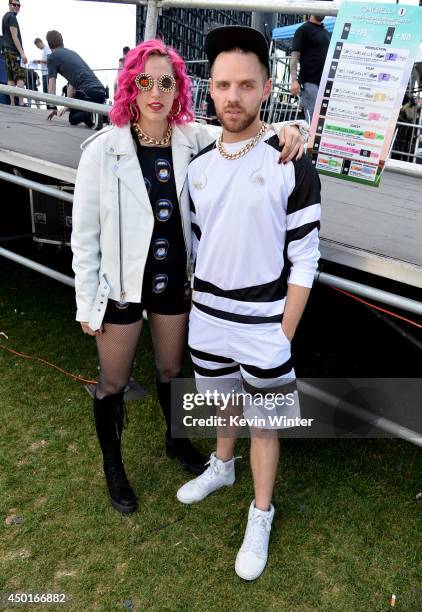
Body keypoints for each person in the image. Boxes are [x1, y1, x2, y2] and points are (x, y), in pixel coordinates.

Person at [71, 39, 307, 515]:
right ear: (129, 86)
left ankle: (176, 441)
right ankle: (113, 464)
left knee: (170, 371)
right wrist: (83, 301)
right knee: (113, 382)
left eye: (166, 82)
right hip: (119, 288)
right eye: (144, 81)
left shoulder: (192, 138)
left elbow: (243, 130)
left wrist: (292, 127)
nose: (155, 92)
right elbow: (85, 236)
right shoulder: (102, 150)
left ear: (179, 87)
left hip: (173, 285)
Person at [176, 26, 321, 581]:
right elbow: (200, 241)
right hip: (208, 320)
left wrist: (283, 332)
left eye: (245, 85)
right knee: (222, 403)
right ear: (208, 89)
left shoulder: (290, 160)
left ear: (266, 89)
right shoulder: (198, 165)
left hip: (264, 324)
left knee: (265, 422)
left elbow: (305, 257)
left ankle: (261, 513)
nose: (232, 96)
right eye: (222, 85)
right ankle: (222, 465)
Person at [46, 30, 106, 130]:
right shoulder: (72, 53)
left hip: (88, 92)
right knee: (88, 121)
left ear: (49, 44)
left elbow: (52, 83)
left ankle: (93, 113)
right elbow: (71, 88)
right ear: (62, 42)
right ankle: (101, 115)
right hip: (100, 92)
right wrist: (61, 108)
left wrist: (52, 106)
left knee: (73, 118)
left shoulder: (52, 57)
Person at [290, 15, 330, 122]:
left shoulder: (326, 32)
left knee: (320, 122)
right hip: (309, 83)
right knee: (312, 121)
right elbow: (294, 57)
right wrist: (294, 81)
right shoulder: (303, 29)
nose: (323, 13)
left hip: (324, 84)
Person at [1, 0, 26, 106]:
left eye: (19, 5)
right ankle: (20, 103)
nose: (17, 7)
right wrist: (22, 53)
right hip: (13, 51)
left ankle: (12, 103)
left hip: (6, 51)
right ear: (9, 5)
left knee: (10, 78)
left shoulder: (5, 17)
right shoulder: (12, 17)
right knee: (20, 77)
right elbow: (14, 36)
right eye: (14, 4)